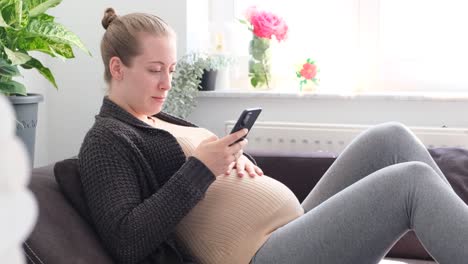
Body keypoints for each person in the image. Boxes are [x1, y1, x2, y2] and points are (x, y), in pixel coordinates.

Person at [78, 7, 468, 264]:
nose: (167, 82)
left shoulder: (161, 118)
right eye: (154, 69)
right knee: (409, 183)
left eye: (172, 68)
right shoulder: (107, 140)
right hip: (261, 255)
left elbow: (211, 189)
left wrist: (230, 158)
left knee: (390, 137)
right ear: (118, 67)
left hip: (288, 227)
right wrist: (202, 168)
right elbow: (127, 240)